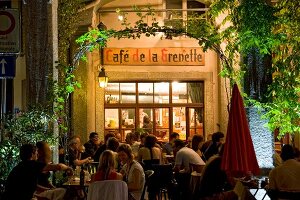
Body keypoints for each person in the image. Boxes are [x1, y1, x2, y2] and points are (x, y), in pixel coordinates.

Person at [3, 144, 71, 200]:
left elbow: (29, 186)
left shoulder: (19, 167)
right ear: (32, 154)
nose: (37, 155)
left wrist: (49, 189)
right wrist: (68, 168)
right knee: (63, 191)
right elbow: (58, 167)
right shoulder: (32, 164)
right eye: (36, 153)